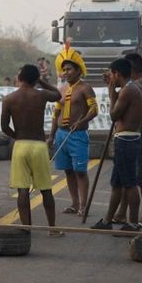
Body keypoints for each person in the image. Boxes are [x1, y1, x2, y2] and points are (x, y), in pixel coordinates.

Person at [1, 64, 64, 237]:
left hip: (20, 145)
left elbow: (4, 126)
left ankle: (27, 228)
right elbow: (58, 95)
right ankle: (52, 228)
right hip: (38, 145)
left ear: (19, 78)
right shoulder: (41, 95)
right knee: (46, 189)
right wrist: (42, 82)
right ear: (35, 79)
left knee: (22, 189)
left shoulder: (9, 99)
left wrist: (17, 136)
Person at [91, 58, 142, 231]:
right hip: (125, 138)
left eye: (111, 73)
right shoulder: (132, 88)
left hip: (127, 140)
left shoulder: (129, 90)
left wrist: (110, 91)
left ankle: (132, 223)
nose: (110, 77)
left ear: (117, 74)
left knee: (129, 184)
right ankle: (107, 220)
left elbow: (114, 115)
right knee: (116, 183)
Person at [48, 40, 98, 216]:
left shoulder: (85, 88)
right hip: (61, 134)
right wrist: (51, 135)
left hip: (77, 135)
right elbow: (56, 113)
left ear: (78, 70)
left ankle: (84, 206)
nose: (66, 73)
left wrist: (82, 120)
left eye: (69, 69)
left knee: (80, 171)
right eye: (64, 69)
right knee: (68, 171)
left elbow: (94, 109)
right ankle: (75, 204)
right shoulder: (61, 89)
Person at [111, 53, 142, 229]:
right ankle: (122, 214)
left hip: (139, 136)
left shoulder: (138, 85)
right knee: (127, 178)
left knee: (140, 178)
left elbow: (116, 113)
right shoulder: (132, 86)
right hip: (133, 134)